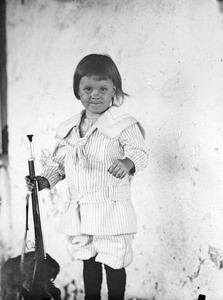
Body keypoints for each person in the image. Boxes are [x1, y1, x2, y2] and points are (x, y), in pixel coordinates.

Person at [25, 53, 148, 300]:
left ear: (115, 89)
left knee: (114, 260)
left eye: (103, 88)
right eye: (88, 88)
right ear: (78, 90)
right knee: (88, 260)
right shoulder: (70, 129)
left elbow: (139, 151)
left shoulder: (123, 124)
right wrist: (44, 180)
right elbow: (59, 164)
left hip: (111, 208)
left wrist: (127, 162)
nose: (95, 95)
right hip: (81, 209)